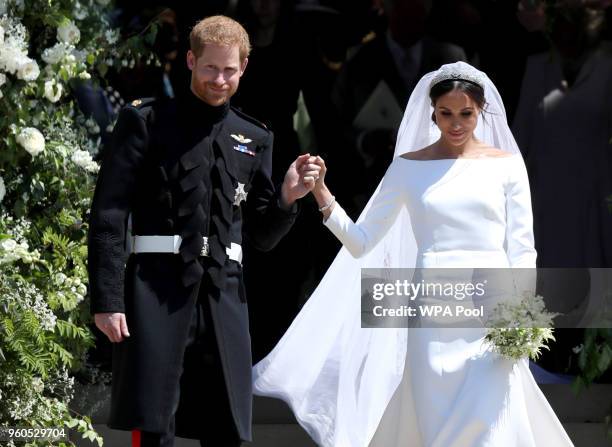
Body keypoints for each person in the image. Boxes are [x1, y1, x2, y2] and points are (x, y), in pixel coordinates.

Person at [253, 62, 574, 446]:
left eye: (466, 114)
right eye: (446, 114)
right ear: (432, 113)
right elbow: (361, 241)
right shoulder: (408, 168)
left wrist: (522, 316)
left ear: (481, 111)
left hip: (493, 315)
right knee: (437, 423)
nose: (455, 124)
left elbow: (523, 249)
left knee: (491, 427)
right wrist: (322, 192)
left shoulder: (506, 165)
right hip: (432, 318)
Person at [87, 15, 321, 447]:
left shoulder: (255, 136)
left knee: (227, 425)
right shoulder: (146, 121)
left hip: (224, 295)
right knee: (156, 425)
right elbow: (109, 214)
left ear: (244, 68)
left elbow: (262, 237)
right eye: (210, 68)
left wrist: (289, 197)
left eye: (229, 70)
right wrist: (107, 299)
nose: (220, 79)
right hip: (155, 287)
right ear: (191, 60)